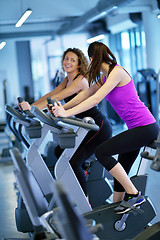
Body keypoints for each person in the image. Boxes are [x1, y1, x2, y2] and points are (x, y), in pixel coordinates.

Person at [51, 41, 159, 214]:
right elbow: (86, 94)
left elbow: (95, 100)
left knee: (102, 152)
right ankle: (115, 209)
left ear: (93, 58)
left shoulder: (117, 72)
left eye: (90, 59)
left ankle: (134, 194)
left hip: (146, 127)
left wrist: (66, 113)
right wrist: (64, 108)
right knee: (120, 169)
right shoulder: (105, 77)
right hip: (136, 129)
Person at [19, 47, 112, 196]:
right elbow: (52, 94)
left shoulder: (80, 80)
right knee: (59, 151)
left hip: (98, 127)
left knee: (72, 162)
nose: (68, 62)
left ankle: (85, 201)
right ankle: (84, 169)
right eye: (66, 58)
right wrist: (32, 107)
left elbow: (59, 96)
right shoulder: (67, 79)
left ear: (79, 64)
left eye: (72, 60)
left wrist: (32, 108)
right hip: (86, 127)